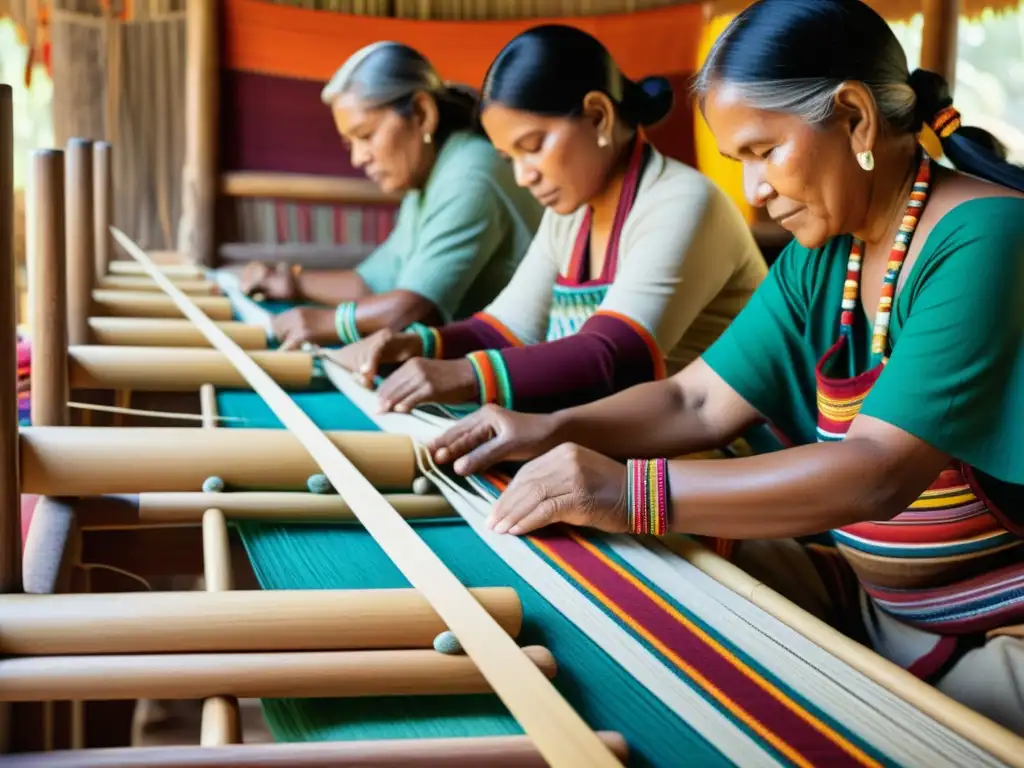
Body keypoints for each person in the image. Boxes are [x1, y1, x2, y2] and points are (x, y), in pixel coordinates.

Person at [425, 0, 1024, 734]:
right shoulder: (827, 256)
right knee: (640, 569)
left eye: (764, 151)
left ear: (855, 118)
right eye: (742, 161)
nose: (754, 191)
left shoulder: (987, 238)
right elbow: (694, 403)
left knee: (859, 738)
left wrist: (627, 488)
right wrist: (548, 428)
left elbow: (876, 472)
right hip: (883, 609)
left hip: (998, 635)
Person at [332, 25, 766, 416]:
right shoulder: (573, 212)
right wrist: (420, 345)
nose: (524, 176)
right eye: (510, 158)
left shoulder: (682, 201)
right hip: (619, 442)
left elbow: (614, 357)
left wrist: (464, 374)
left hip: (721, 457)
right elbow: (505, 329)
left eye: (534, 146)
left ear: (598, 116)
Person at [240, 42, 543, 350]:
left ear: (422, 113)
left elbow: (413, 309)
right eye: (350, 144)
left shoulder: (469, 174)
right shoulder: (427, 176)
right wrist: (291, 281)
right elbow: (369, 283)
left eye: (366, 135)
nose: (358, 158)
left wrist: (321, 322)